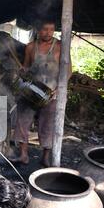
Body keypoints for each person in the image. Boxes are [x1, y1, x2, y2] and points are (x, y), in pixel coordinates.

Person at [11, 20, 72, 167]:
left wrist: (59, 88)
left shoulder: (60, 47)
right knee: (22, 121)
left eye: (51, 29)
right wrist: (22, 72)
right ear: (38, 30)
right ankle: (24, 155)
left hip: (51, 92)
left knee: (48, 125)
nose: (48, 33)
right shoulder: (31, 47)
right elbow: (26, 66)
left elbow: (68, 70)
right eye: (45, 29)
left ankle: (45, 157)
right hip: (31, 91)